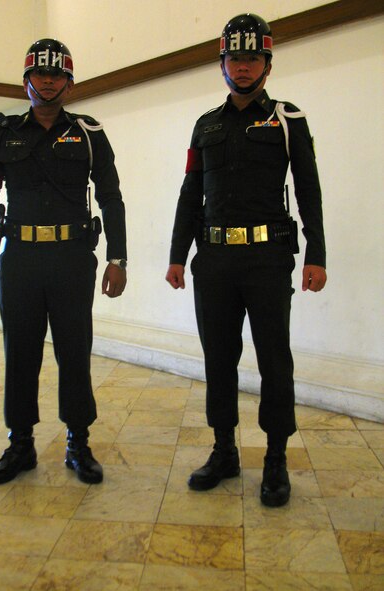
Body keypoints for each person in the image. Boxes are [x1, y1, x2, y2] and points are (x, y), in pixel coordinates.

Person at [166, 14, 326, 507]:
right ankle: (224, 451)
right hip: (212, 260)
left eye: (252, 57)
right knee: (219, 360)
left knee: (275, 360)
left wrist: (316, 254)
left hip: (267, 258)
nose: (242, 66)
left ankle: (275, 458)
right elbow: (191, 192)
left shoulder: (287, 120)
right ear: (222, 64)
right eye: (234, 57)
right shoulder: (205, 125)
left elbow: (308, 191)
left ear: (268, 64)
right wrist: (177, 254)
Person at [0, 38, 127, 486]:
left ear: (70, 84)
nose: (48, 79)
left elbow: (112, 198)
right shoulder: (1, 134)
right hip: (19, 259)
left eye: (57, 74)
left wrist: (118, 257)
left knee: (74, 351)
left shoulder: (90, 134)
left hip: (73, 259)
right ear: (26, 81)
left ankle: (78, 443)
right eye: (40, 72)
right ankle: (20, 445)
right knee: (20, 352)